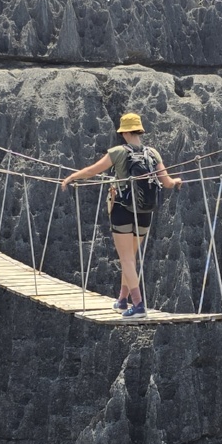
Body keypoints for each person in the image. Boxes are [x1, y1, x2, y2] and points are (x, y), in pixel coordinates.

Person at [61, 111, 181, 316]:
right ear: (139, 130)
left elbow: (93, 171)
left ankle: (138, 304)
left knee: (126, 259)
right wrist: (177, 182)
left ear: (124, 132)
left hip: (122, 211)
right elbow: (167, 183)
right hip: (144, 212)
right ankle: (123, 300)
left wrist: (72, 177)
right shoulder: (152, 153)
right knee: (131, 258)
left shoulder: (118, 152)